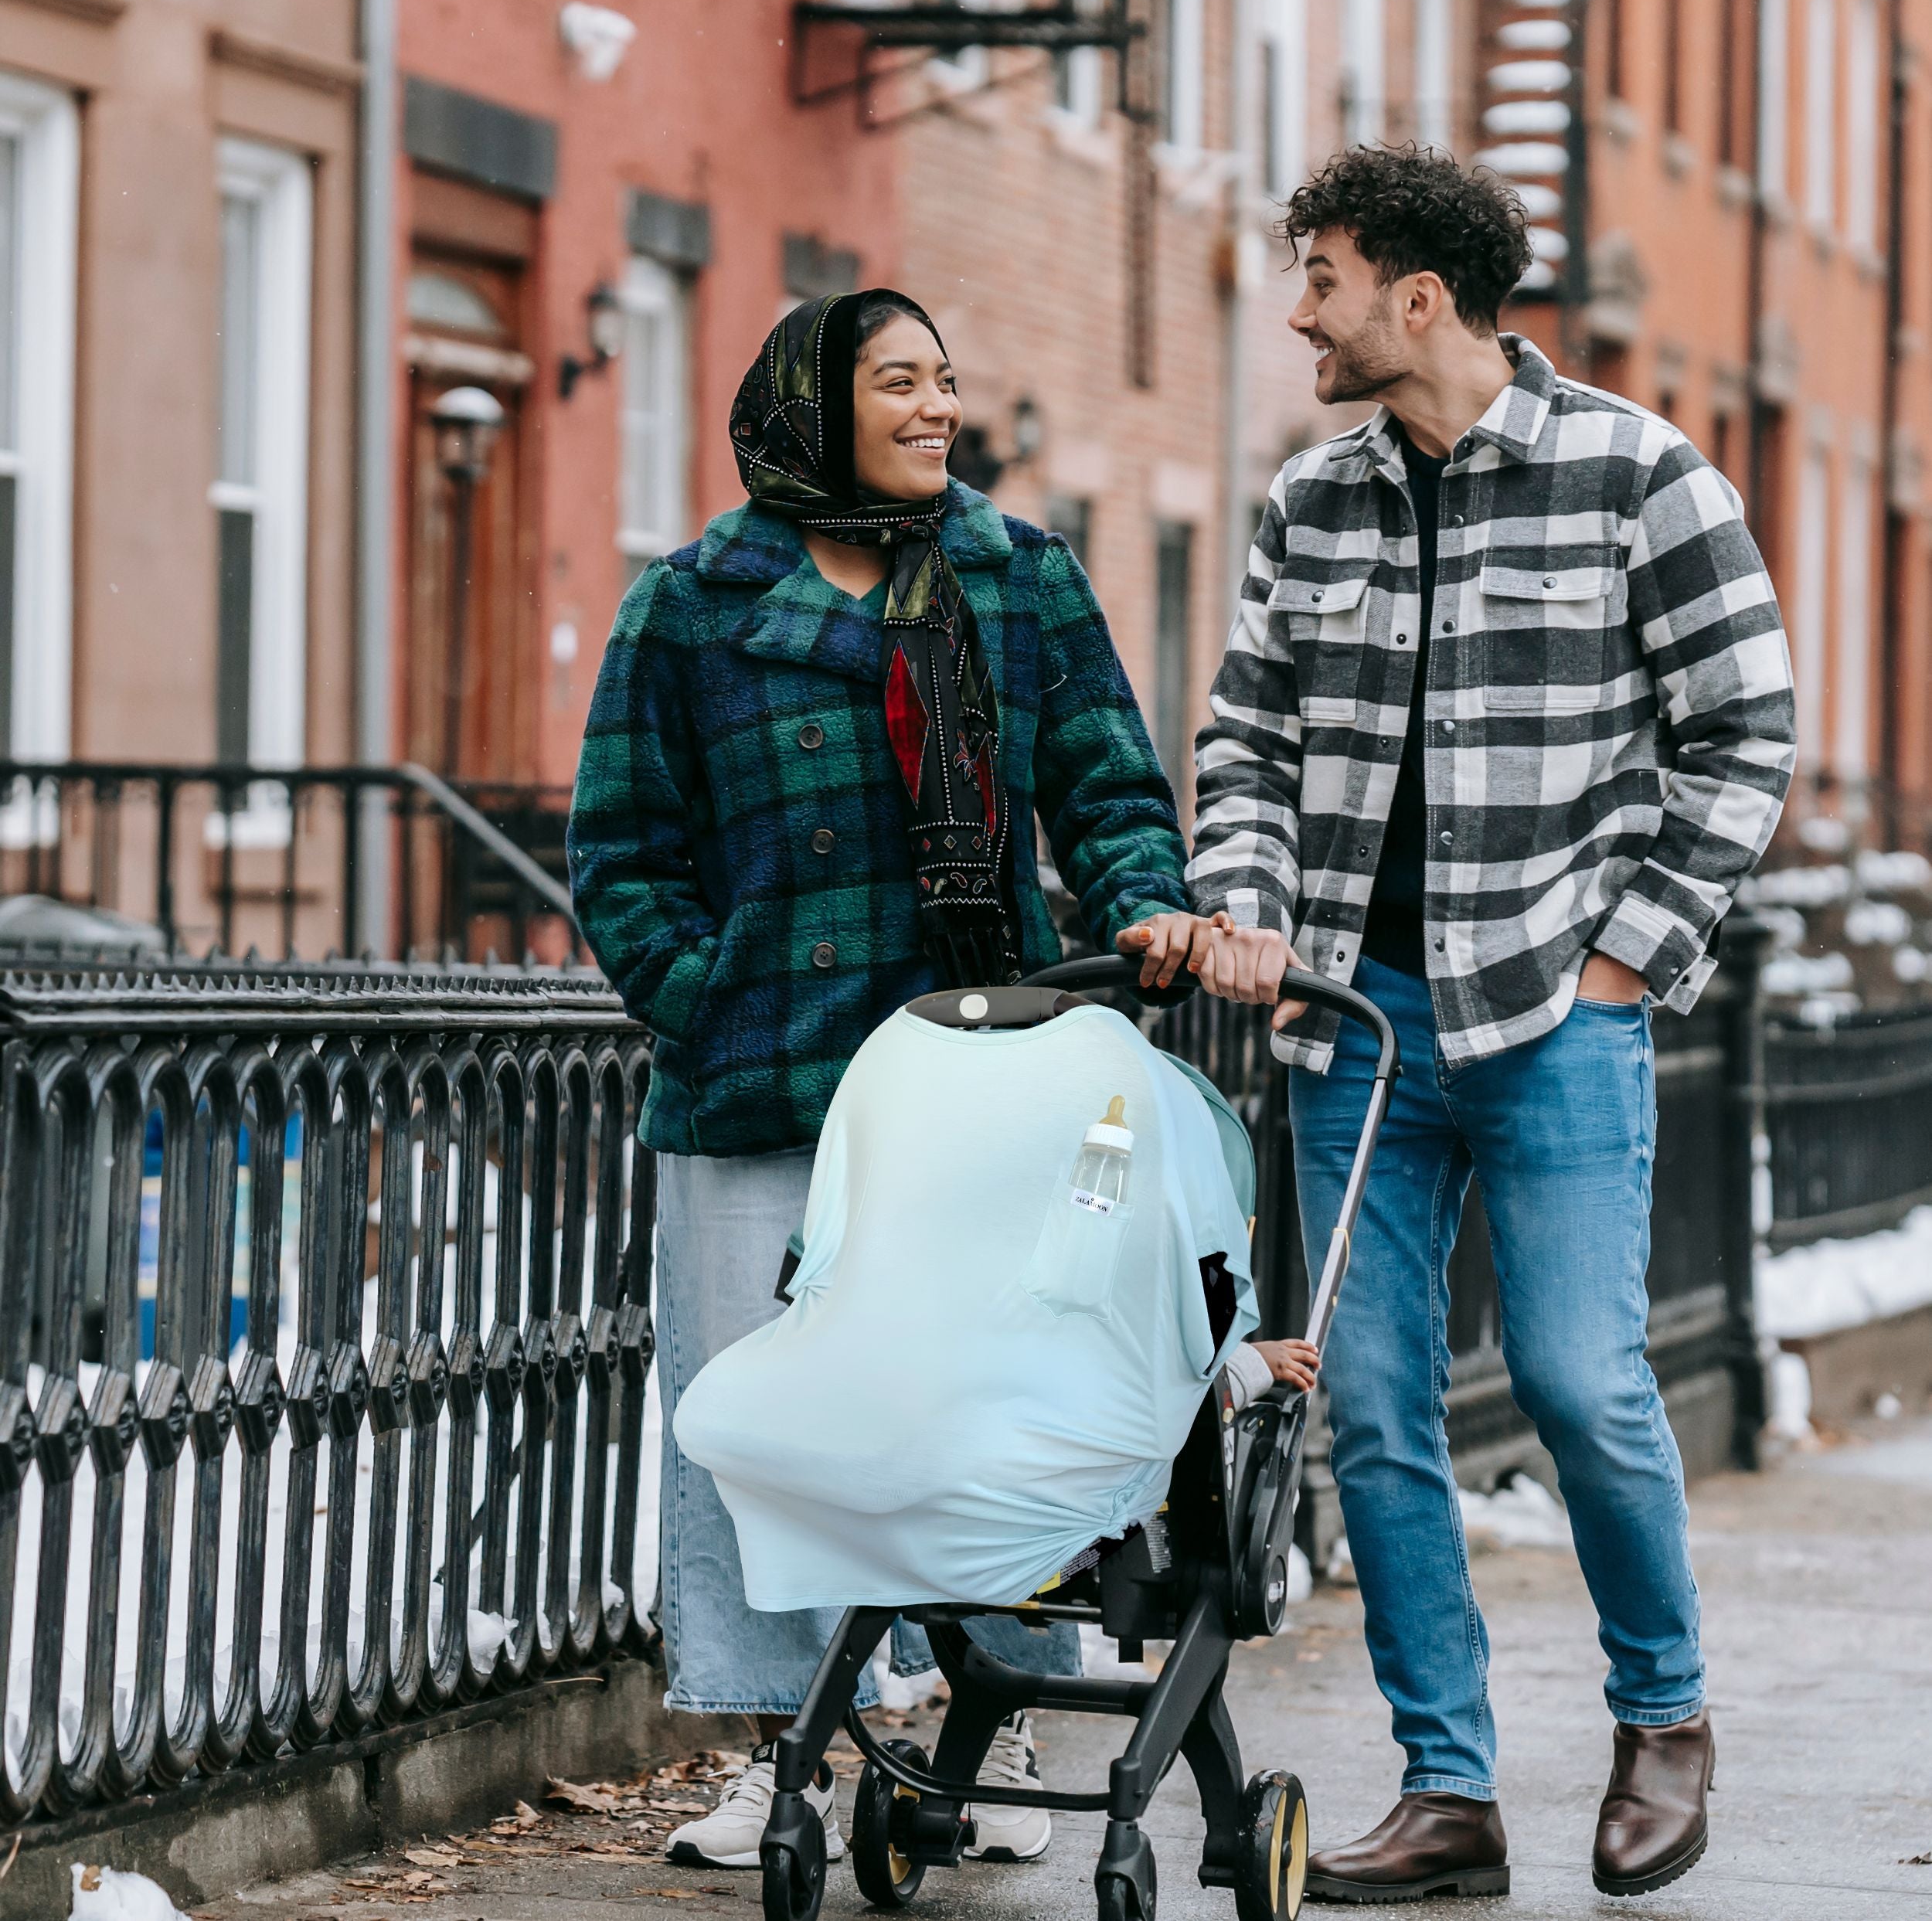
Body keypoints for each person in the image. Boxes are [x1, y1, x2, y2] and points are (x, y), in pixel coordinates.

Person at [1128, 145, 1795, 1902]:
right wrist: (1254, 906)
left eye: (1325, 276)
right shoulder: (1309, 500)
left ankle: (1662, 1715)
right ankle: (1448, 1790)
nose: (1299, 310)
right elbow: (1246, 739)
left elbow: (1744, 728)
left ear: (1418, 297)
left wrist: (1628, 958)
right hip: (1357, 1021)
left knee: (1580, 1379)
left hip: (1554, 1013)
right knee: (1369, 1404)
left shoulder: (1638, 475)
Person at [568, 287, 1198, 1871]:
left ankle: (995, 1721)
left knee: (1001, 1400)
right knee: (750, 1420)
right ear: (810, 405)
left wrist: (1142, 909)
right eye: (898, 381)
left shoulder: (1014, 575)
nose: (936, 407)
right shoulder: (693, 602)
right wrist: (704, 998)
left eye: (946, 382)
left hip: (983, 1063)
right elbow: (622, 852)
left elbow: (1108, 781)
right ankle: (768, 1739)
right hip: (761, 1073)